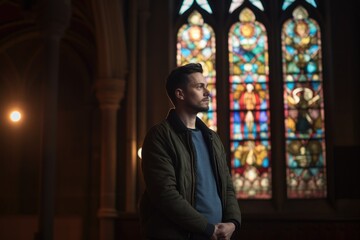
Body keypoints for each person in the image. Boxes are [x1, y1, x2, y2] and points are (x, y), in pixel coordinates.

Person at [139, 63, 241, 240]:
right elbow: (165, 194)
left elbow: (227, 187)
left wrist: (232, 222)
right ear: (180, 94)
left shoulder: (212, 138)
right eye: (199, 86)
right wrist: (207, 228)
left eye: (206, 86)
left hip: (216, 236)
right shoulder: (160, 136)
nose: (207, 92)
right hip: (180, 235)